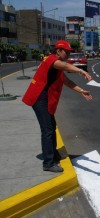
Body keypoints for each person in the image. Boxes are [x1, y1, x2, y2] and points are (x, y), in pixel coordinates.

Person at [22, 40, 93, 173]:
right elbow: (65, 66)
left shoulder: (58, 66)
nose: (67, 55)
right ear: (58, 51)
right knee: (47, 129)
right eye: (66, 52)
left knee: (51, 127)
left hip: (45, 99)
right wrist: (80, 71)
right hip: (39, 98)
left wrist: (81, 91)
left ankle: (52, 154)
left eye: (69, 52)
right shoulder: (51, 60)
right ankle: (48, 163)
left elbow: (66, 81)